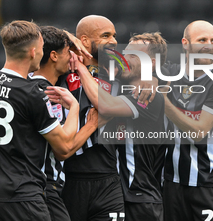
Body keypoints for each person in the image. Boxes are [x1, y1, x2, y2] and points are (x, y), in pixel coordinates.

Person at [0, 20, 85, 221]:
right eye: (43, 48)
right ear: (33, 52)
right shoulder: (32, 93)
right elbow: (63, 146)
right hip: (23, 194)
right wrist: (74, 108)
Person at [56, 32, 167, 221]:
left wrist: (81, 68)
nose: (124, 59)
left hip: (140, 198)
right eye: (126, 53)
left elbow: (106, 106)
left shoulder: (149, 96)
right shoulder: (119, 83)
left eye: (134, 55)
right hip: (114, 193)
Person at [163, 20, 213, 221]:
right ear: (185, 43)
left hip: (210, 185)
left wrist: (164, 103)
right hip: (172, 184)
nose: (209, 44)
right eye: (202, 39)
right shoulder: (167, 73)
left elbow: (198, 132)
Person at [55, 15, 125, 221]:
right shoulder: (61, 70)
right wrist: (69, 39)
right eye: (105, 35)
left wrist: (82, 68)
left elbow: (103, 104)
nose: (113, 41)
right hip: (69, 178)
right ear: (83, 40)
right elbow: (39, 35)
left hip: (108, 178)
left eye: (114, 35)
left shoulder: (118, 71)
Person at [30, 25, 98, 221]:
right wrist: (91, 125)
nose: (73, 57)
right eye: (69, 52)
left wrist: (69, 39)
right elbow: (63, 151)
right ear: (53, 56)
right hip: (45, 185)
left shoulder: (28, 83)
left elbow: (39, 33)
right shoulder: (49, 94)